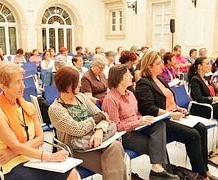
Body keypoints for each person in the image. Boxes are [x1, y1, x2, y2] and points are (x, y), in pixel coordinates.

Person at [0, 62, 78, 180]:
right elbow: (16, 146)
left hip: (33, 159)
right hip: (14, 165)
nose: (23, 86)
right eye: (17, 82)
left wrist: (14, 152)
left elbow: (40, 139)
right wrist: (49, 157)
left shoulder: (28, 106)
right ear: (3, 86)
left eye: (22, 80)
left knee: (72, 173)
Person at [135, 51, 218, 180]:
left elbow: (170, 100)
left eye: (161, 62)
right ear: (149, 66)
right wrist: (170, 114)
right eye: (158, 63)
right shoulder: (144, 83)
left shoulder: (161, 79)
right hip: (160, 122)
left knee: (201, 128)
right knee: (193, 135)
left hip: (172, 115)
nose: (161, 66)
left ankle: (205, 170)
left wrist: (178, 108)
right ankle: (200, 175)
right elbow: (149, 108)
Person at [48, 66, 127, 180]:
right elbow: (77, 129)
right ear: (68, 85)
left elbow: (105, 117)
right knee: (115, 164)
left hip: (95, 141)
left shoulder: (81, 97)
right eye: (77, 82)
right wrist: (95, 119)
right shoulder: (55, 109)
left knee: (115, 146)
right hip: (74, 149)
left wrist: (99, 131)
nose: (80, 85)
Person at [102, 64, 179, 180]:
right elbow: (115, 126)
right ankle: (159, 172)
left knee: (159, 124)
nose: (131, 76)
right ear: (119, 78)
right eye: (128, 75)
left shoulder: (130, 94)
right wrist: (137, 123)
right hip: (124, 135)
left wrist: (143, 119)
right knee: (157, 144)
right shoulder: (110, 99)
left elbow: (136, 114)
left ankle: (158, 171)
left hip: (137, 128)